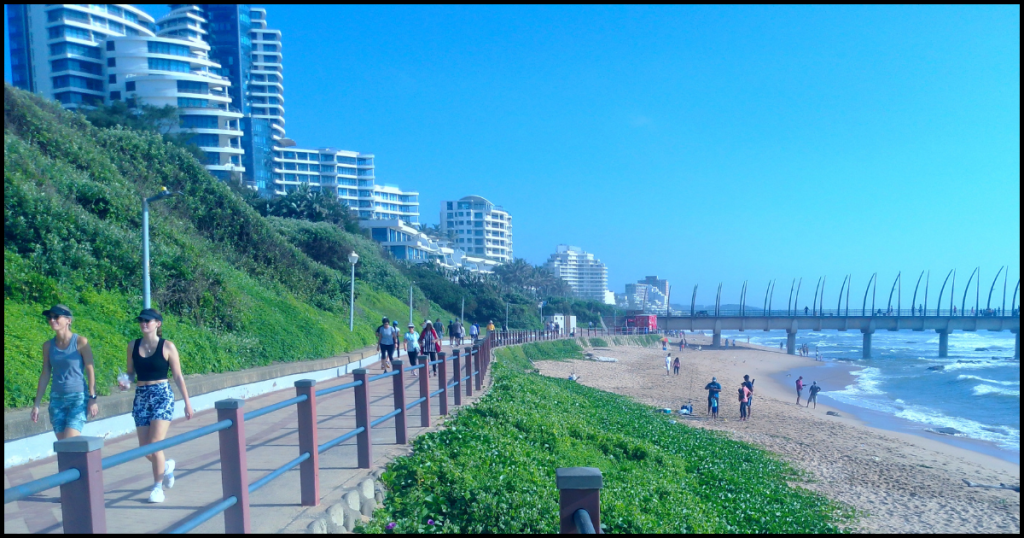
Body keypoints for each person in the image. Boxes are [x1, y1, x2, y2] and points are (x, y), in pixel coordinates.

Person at [124, 308, 194, 503]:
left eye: (148, 320)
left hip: (162, 395)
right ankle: (167, 467)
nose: (144, 323)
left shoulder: (167, 346)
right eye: (141, 320)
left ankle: (157, 488)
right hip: (141, 396)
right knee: (145, 449)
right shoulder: (132, 345)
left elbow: (178, 376)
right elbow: (131, 373)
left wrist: (187, 403)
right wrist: (126, 381)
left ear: (158, 324)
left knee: (155, 444)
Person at [31, 305, 99, 441]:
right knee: (63, 446)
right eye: (50, 317)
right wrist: (36, 404)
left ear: (68, 320)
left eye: (56, 317)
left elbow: (90, 370)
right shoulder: (48, 346)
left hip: (78, 398)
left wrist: (93, 398)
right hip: (57, 399)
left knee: (70, 442)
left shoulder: (80, 342)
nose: (52, 320)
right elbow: (45, 373)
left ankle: (83, 463)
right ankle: (76, 463)